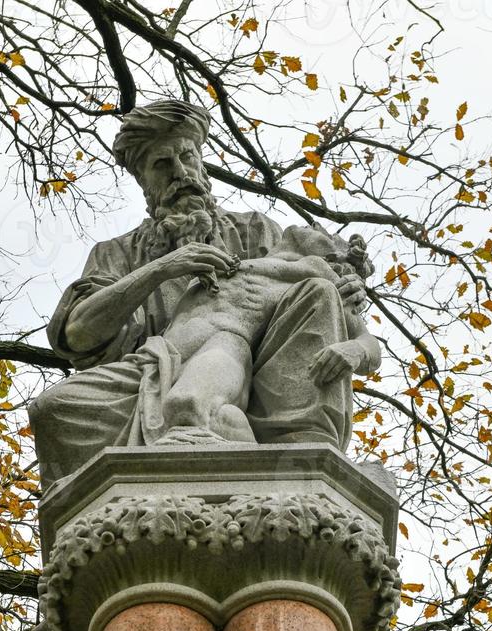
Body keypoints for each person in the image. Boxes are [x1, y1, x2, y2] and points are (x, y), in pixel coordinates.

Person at [29, 99, 374, 491]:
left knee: (191, 405)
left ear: (201, 162)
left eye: (187, 157)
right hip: (147, 372)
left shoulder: (256, 232)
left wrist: (347, 299)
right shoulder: (117, 253)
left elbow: (321, 305)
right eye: (162, 165)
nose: (181, 173)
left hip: (235, 367)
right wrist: (164, 267)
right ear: (144, 182)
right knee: (52, 410)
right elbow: (77, 336)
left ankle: (234, 444)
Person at [154, 224, 380, 445]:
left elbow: (368, 343)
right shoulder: (236, 259)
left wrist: (355, 350)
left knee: (187, 405)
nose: (315, 225)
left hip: (225, 345)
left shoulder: (324, 277)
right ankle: (236, 432)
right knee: (190, 409)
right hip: (158, 355)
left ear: (334, 256)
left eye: (326, 236)